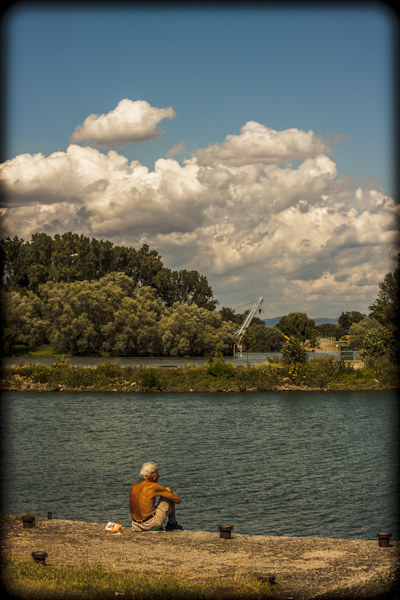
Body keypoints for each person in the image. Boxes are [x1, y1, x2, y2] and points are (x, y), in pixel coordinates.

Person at [129, 461, 182, 531]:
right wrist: (173, 494)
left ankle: (170, 523)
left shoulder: (134, 486)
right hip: (149, 525)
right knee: (169, 492)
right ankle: (172, 523)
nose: (158, 476)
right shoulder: (154, 486)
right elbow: (177, 500)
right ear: (151, 474)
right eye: (157, 473)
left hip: (135, 525)